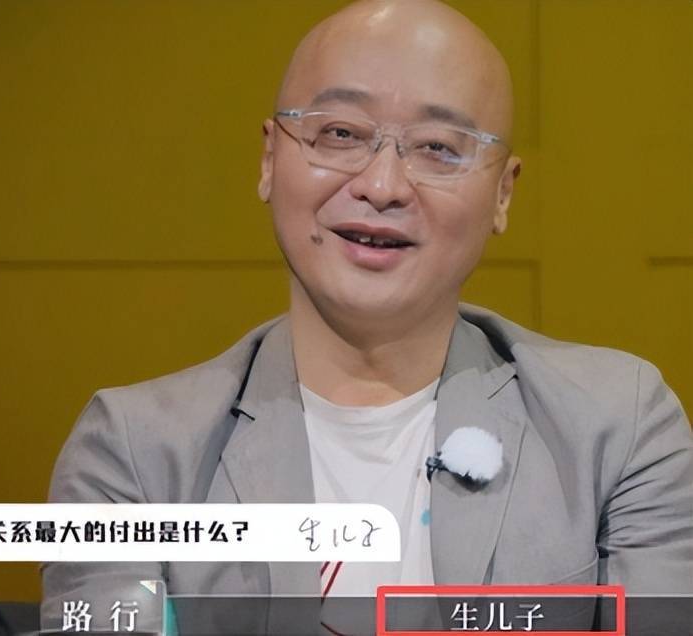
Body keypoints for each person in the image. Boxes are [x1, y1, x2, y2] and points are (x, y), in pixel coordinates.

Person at [40, 0, 693, 632]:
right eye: (341, 134)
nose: (381, 187)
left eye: (438, 148)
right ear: (269, 159)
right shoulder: (134, 455)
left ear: (502, 193)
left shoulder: (616, 429)